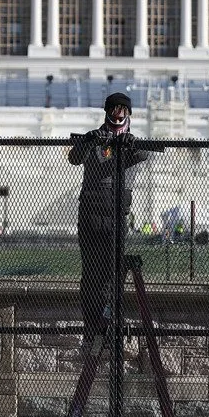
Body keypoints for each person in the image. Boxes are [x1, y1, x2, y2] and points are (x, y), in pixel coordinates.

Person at [68, 92, 150, 335]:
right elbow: (74, 158)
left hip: (116, 215)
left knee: (113, 273)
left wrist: (128, 143)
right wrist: (90, 140)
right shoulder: (95, 139)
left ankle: (111, 320)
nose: (118, 114)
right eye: (114, 110)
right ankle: (92, 324)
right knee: (91, 273)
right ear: (107, 113)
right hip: (91, 214)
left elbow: (143, 154)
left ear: (128, 114)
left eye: (122, 111)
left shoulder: (129, 143)